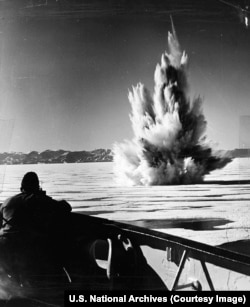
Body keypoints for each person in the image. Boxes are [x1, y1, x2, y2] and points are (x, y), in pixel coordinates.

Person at [0, 172, 72, 283]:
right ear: (37, 186)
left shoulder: (7, 202)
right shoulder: (37, 199)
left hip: (4, 248)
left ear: (21, 187)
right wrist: (42, 195)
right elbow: (65, 207)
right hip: (25, 251)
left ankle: (14, 288)